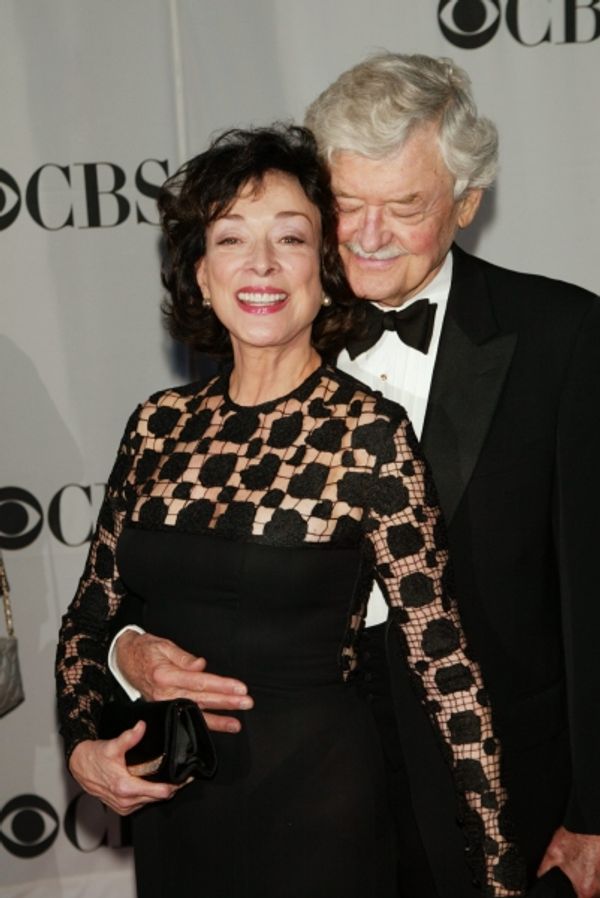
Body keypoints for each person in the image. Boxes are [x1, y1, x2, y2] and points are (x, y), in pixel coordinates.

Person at [111, 55, 600, 898]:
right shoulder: (269, 321)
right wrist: (129, 654)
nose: (368, 236)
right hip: (289, 773)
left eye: (405, 206)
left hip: (492, 771)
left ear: (467, 206)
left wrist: (596, 811)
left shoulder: (562, 338)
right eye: (346, 204)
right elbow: (174, 573)